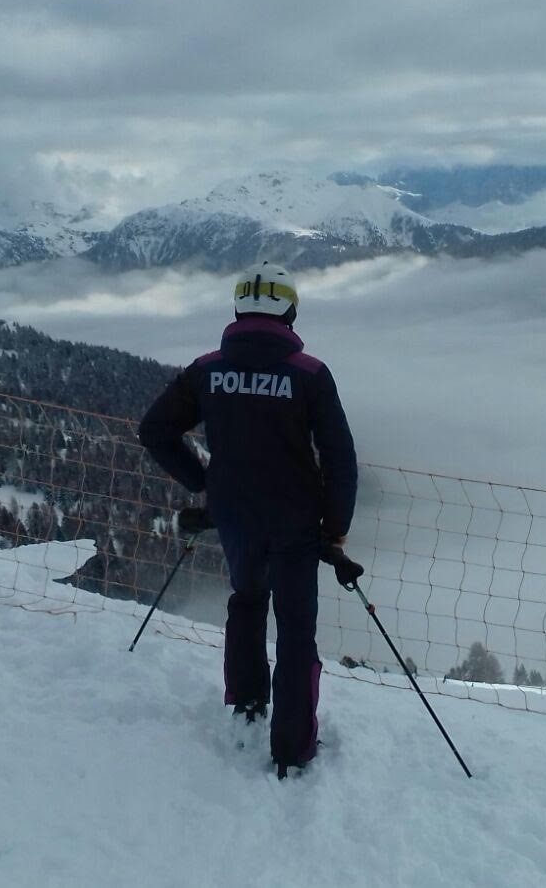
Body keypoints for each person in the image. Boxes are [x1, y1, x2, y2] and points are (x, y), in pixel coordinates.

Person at [138, 261, 358, 777]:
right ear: (290, 311)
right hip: (296, 521)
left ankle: (247, 700)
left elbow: (155, 431)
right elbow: (340, 459)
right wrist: (335, 528)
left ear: (238, 308)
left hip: (235, 516)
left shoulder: (207, 369)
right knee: (297, 629)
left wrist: (202, 482)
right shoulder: (310, 375)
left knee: (247, 600)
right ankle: (292, 747)